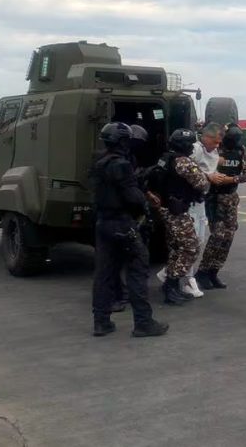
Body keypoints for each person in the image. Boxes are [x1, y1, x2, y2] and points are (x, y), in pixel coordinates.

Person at [89, 122, 169, 338]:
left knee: (104, 274)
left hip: (103, 223)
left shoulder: (99, 162)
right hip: (123, 224)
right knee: (138, 269)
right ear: (123, 141)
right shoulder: (122, 165)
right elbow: (132, 197)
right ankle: (143, 322)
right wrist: (144, 202)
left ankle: (101, 321)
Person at [152, 128, 211, 305]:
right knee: (191, 247)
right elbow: (203, 184)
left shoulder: (165, 158)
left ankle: (171, 284)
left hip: (165, 208)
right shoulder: (184, 162)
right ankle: (171, 284)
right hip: (177, 211)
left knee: (176, 247)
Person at [195, 123, 246, 290]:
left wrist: (231, 179)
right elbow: (200, 168)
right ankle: (203, 272)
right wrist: (211, 177)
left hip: (230, 197)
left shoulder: (240, 150)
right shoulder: (213, 149)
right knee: (217, 236)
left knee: (229, 236)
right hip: (214, 198)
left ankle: (214, 271)